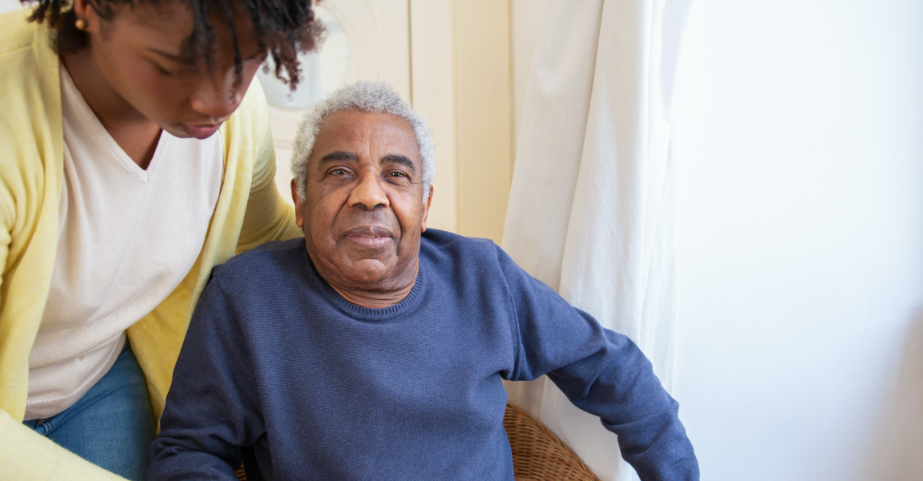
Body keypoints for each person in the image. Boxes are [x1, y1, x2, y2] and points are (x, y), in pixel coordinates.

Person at [0, 0, 328, 479]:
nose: (218, 100)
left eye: (246, 59)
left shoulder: (235, 124)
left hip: (98, 379)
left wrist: (422, 281)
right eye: (171, 65)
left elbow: (265, 240)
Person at [147, 80, 700, 480]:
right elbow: (188, 452)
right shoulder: (247, 297)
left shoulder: (482, 277)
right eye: (340, 171)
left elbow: (613, 370)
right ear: (299, 197)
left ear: (425, 203)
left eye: (396, 175)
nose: (369, 195)